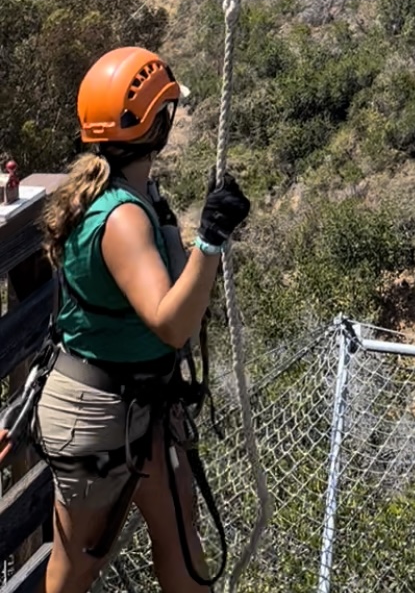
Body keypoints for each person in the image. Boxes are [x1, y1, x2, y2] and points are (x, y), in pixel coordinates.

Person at [34, 46, 250, 593]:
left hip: (133, 404)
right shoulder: (125, 217)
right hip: (103, 415)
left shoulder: (119, 194)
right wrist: (211, 239)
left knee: (180, 538)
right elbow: (171, 324)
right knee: (79, 562)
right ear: (156, 123)